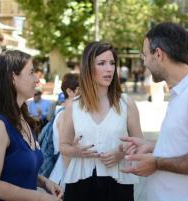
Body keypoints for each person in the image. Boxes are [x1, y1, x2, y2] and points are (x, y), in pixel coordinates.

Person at [121, 22, 188, 201]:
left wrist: (156, 163)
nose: (144, 61)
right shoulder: (182, 92)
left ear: (159, 54)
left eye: (144, 55)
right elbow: (187, 146)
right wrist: (153, 147)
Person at [59, 41, 143, 201]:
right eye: (102, 63)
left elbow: (140, 144)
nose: (109, 68)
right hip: (80, 184)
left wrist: (121, 153)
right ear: (88, 68)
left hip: (118, 185)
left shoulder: (126, 103)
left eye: (112, 63)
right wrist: (76, 151)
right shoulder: (73, 106)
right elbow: (63, 146)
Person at [0, 50, 62, 201]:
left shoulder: (22, 117)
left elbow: (16, 171)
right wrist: (39, 198)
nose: (37, 80)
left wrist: (43, 182)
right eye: (31, 73)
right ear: (12, 78)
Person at [49, 73, 79, 189]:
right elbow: (65, 152)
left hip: (66, 174)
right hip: (64, 176)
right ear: (69, 92)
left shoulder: (69, 112)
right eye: (80, 89)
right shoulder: (65, 114)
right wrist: (72, 181)